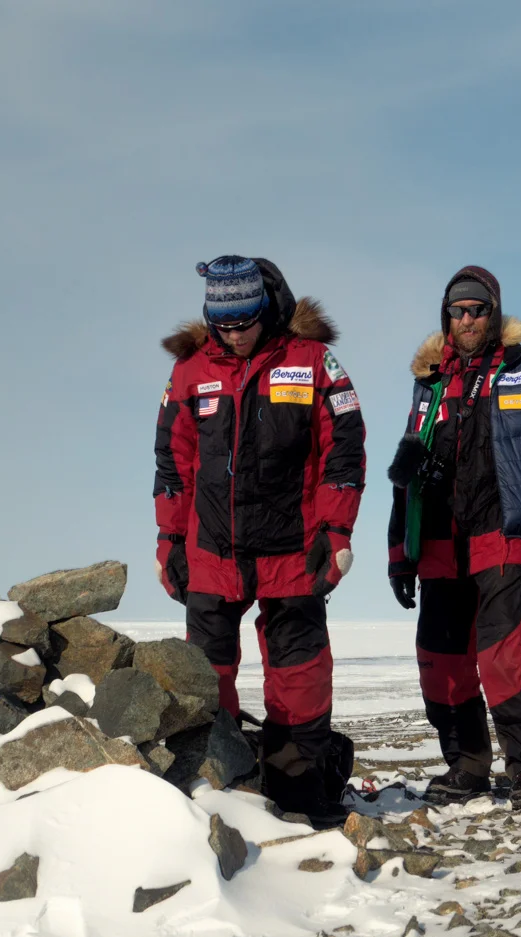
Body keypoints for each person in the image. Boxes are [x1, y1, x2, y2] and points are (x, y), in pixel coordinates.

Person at [154, 256, 365, 826]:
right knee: (206, 675)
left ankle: (301, 792)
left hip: (294, 550)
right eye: (223, 325)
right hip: (211, 553)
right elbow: (173, 462)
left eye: (244, 321)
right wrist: (170, 539)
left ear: (264, 310)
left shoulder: (312, 361)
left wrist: (336, 529)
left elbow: (343, 449)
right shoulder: (190, 371)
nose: (236, 334)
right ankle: (221, 791)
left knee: (299, 675)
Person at [386, 267, 521, 804]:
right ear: (446, 318)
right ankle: (467, 765)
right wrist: (400, 556)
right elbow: (406, 478)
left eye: (478, 310)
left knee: (505, 657)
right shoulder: (429, 383)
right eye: (457, 311)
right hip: (441, 547)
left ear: (494, 313)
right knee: (441, 664)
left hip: (504, 539)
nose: (467, 319)